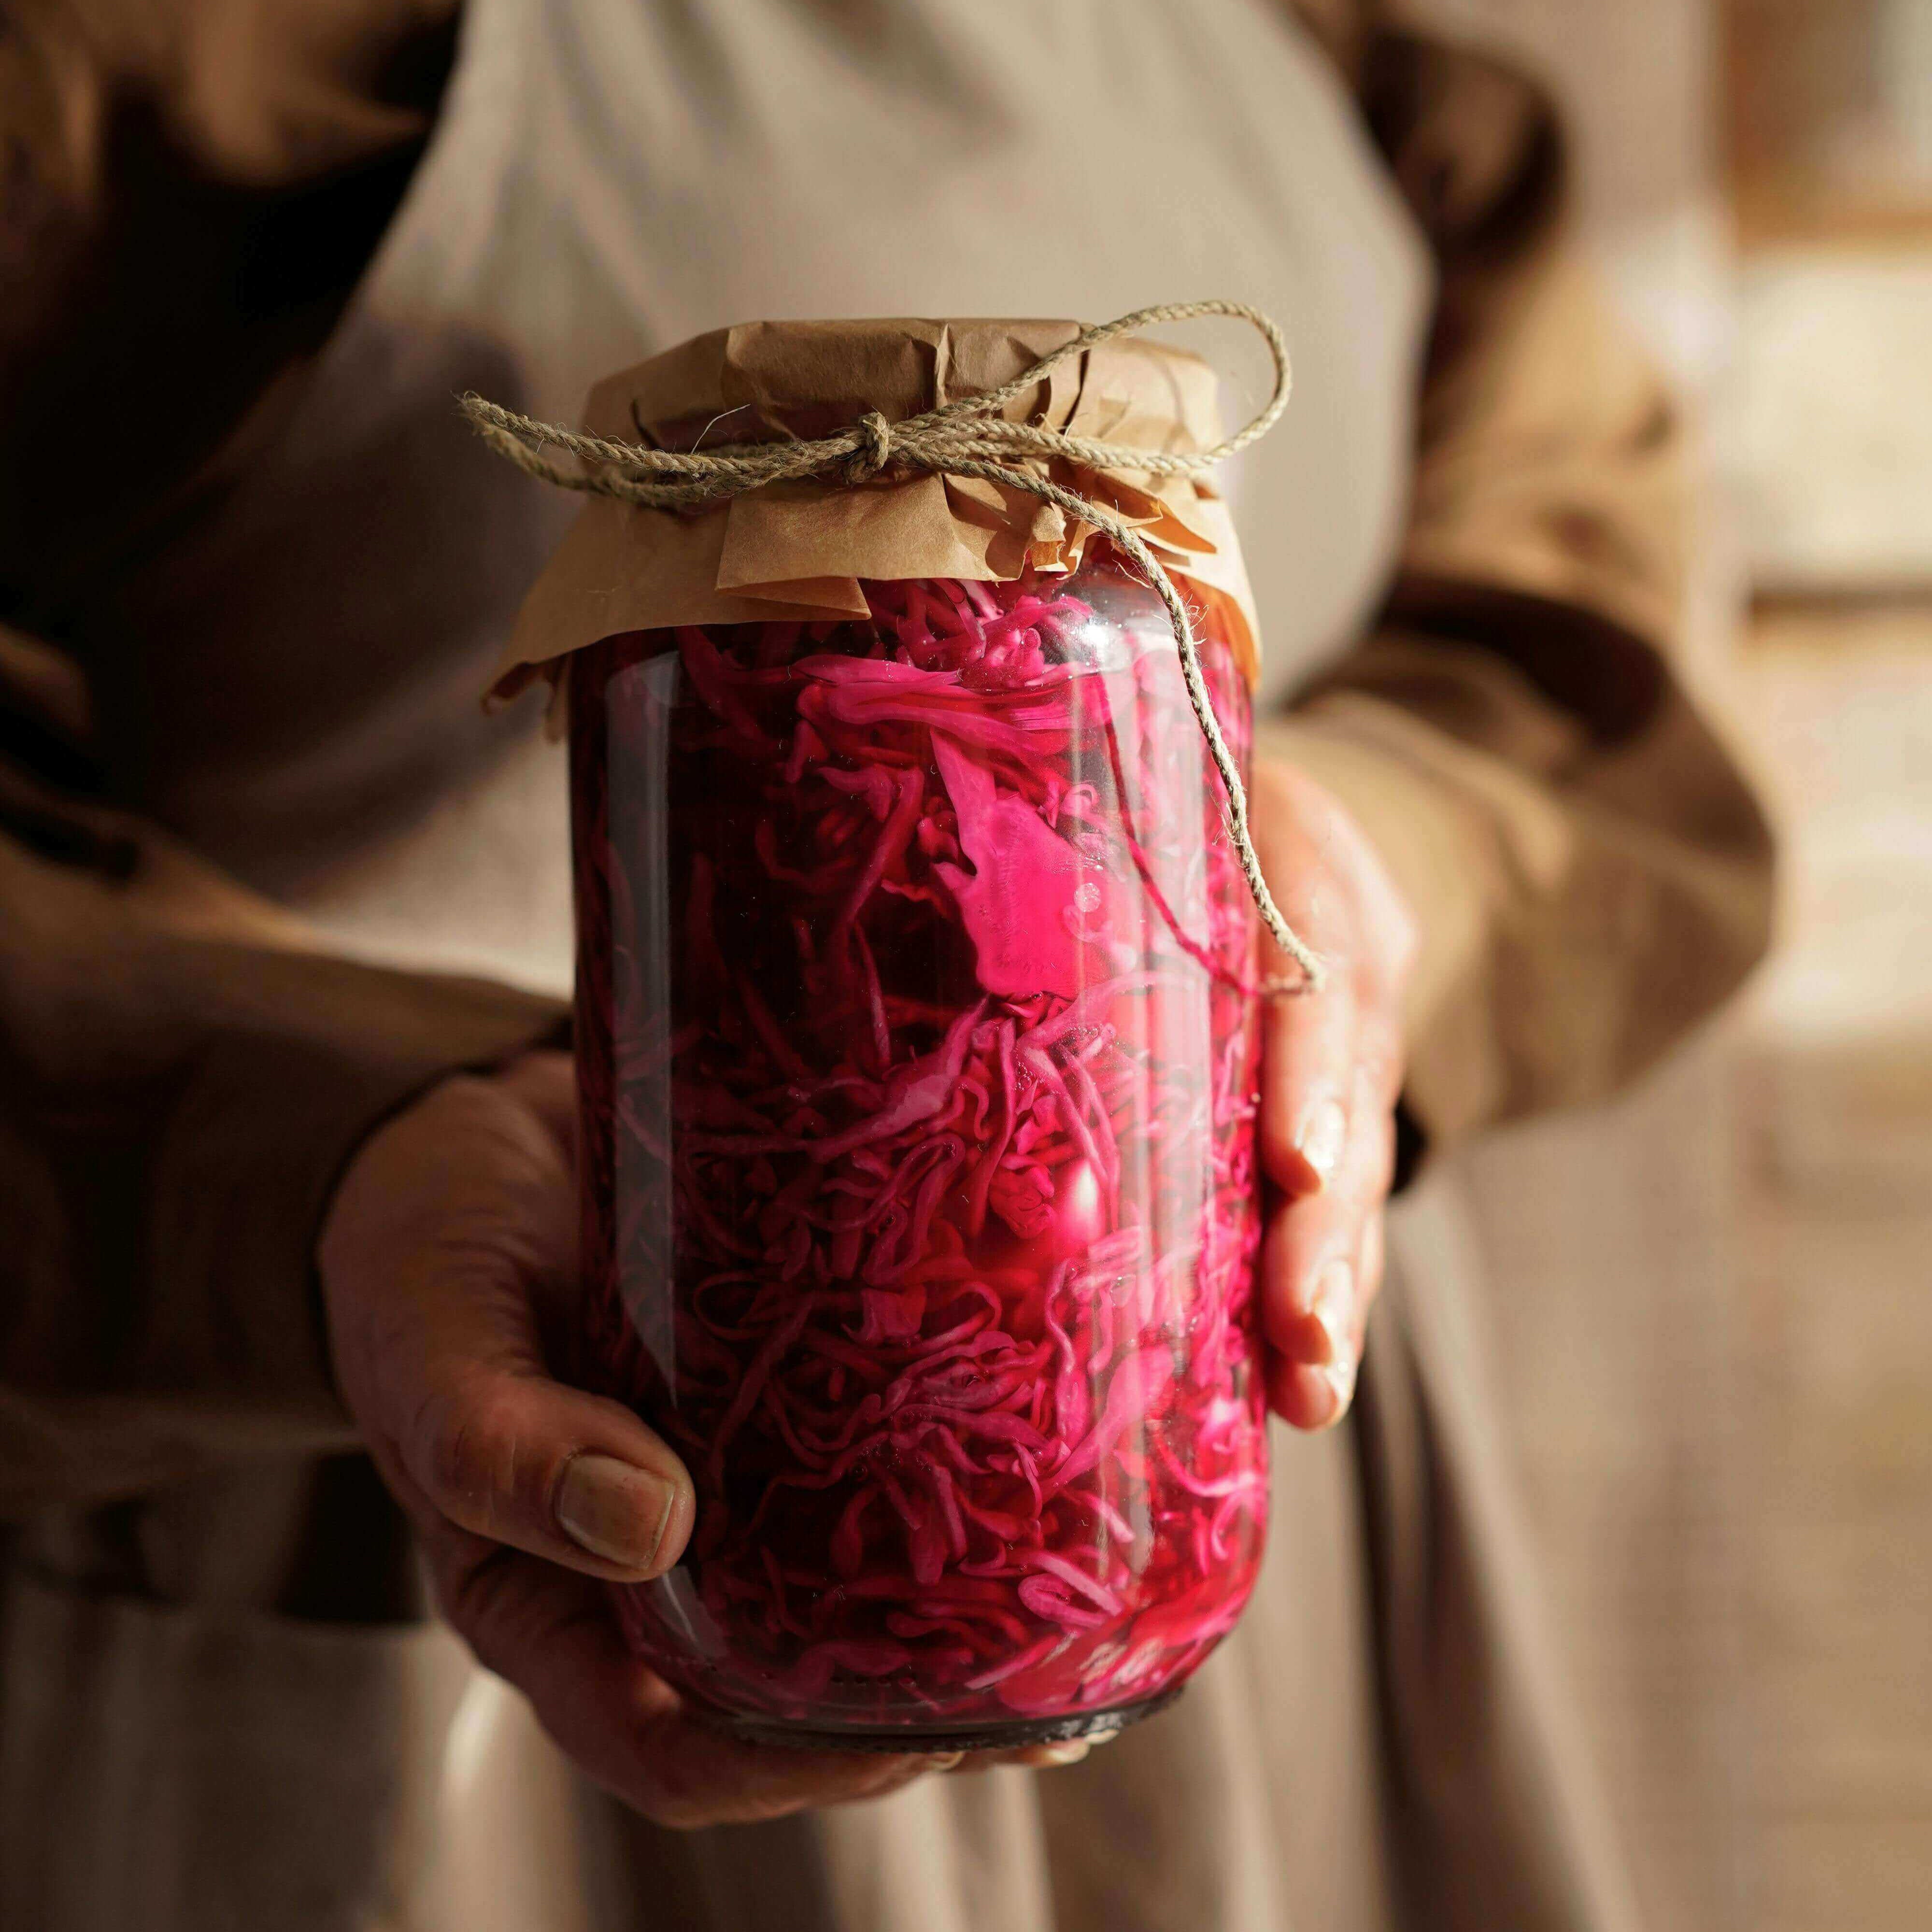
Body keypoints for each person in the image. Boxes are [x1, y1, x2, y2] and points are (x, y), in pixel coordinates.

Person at [0, 1, 1773, 1928]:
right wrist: (324, 1140)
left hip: (1195, 1472)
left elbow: (1584, 597)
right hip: (464, 1475)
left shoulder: (1340, 48)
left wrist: (1368, 848)